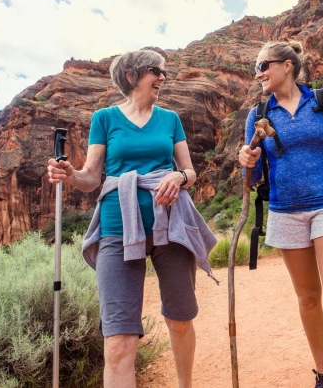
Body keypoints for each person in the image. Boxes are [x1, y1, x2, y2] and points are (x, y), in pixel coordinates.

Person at [47, 49, 217, 388]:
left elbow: (190, 171)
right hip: (116, 229)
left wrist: (178, 178)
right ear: (131, 76)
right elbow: (92, 177)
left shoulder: (170, 119)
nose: (163, 78)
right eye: (156, 71)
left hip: (171, 227)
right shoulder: (105, 118)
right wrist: (70, 174)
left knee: (180, 319)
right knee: (118, 338)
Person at [238, 40, 323, 388]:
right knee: (308, 297)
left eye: (263, 66)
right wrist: (247, 164)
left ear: (286, 65)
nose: (258, 74)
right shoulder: (258, 115)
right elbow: (252, 180)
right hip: (286, 213)